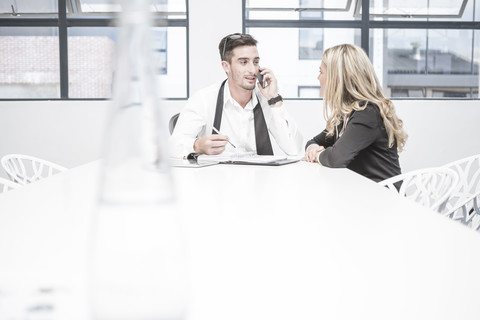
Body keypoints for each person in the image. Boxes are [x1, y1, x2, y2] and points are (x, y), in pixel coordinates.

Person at [169, 33, 303, 158]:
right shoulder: (204, 99)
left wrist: (274, 99)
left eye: (255, 62)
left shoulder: (267, 100)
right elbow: (173, 145)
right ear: (226, 66)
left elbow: (294, 149)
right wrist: (197, 145)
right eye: (243, 62)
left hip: (261, 177)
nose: (252, 70)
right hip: (217, 178)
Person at [304, 44, 407, 182]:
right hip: (362, 192)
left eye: (321, 72)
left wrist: (316, 155)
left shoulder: (368, 112)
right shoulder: (347, 114)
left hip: (384, 197)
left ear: (337, 78)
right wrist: (313, 149)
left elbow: (336, 158)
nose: (318, 78)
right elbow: (314, 141)